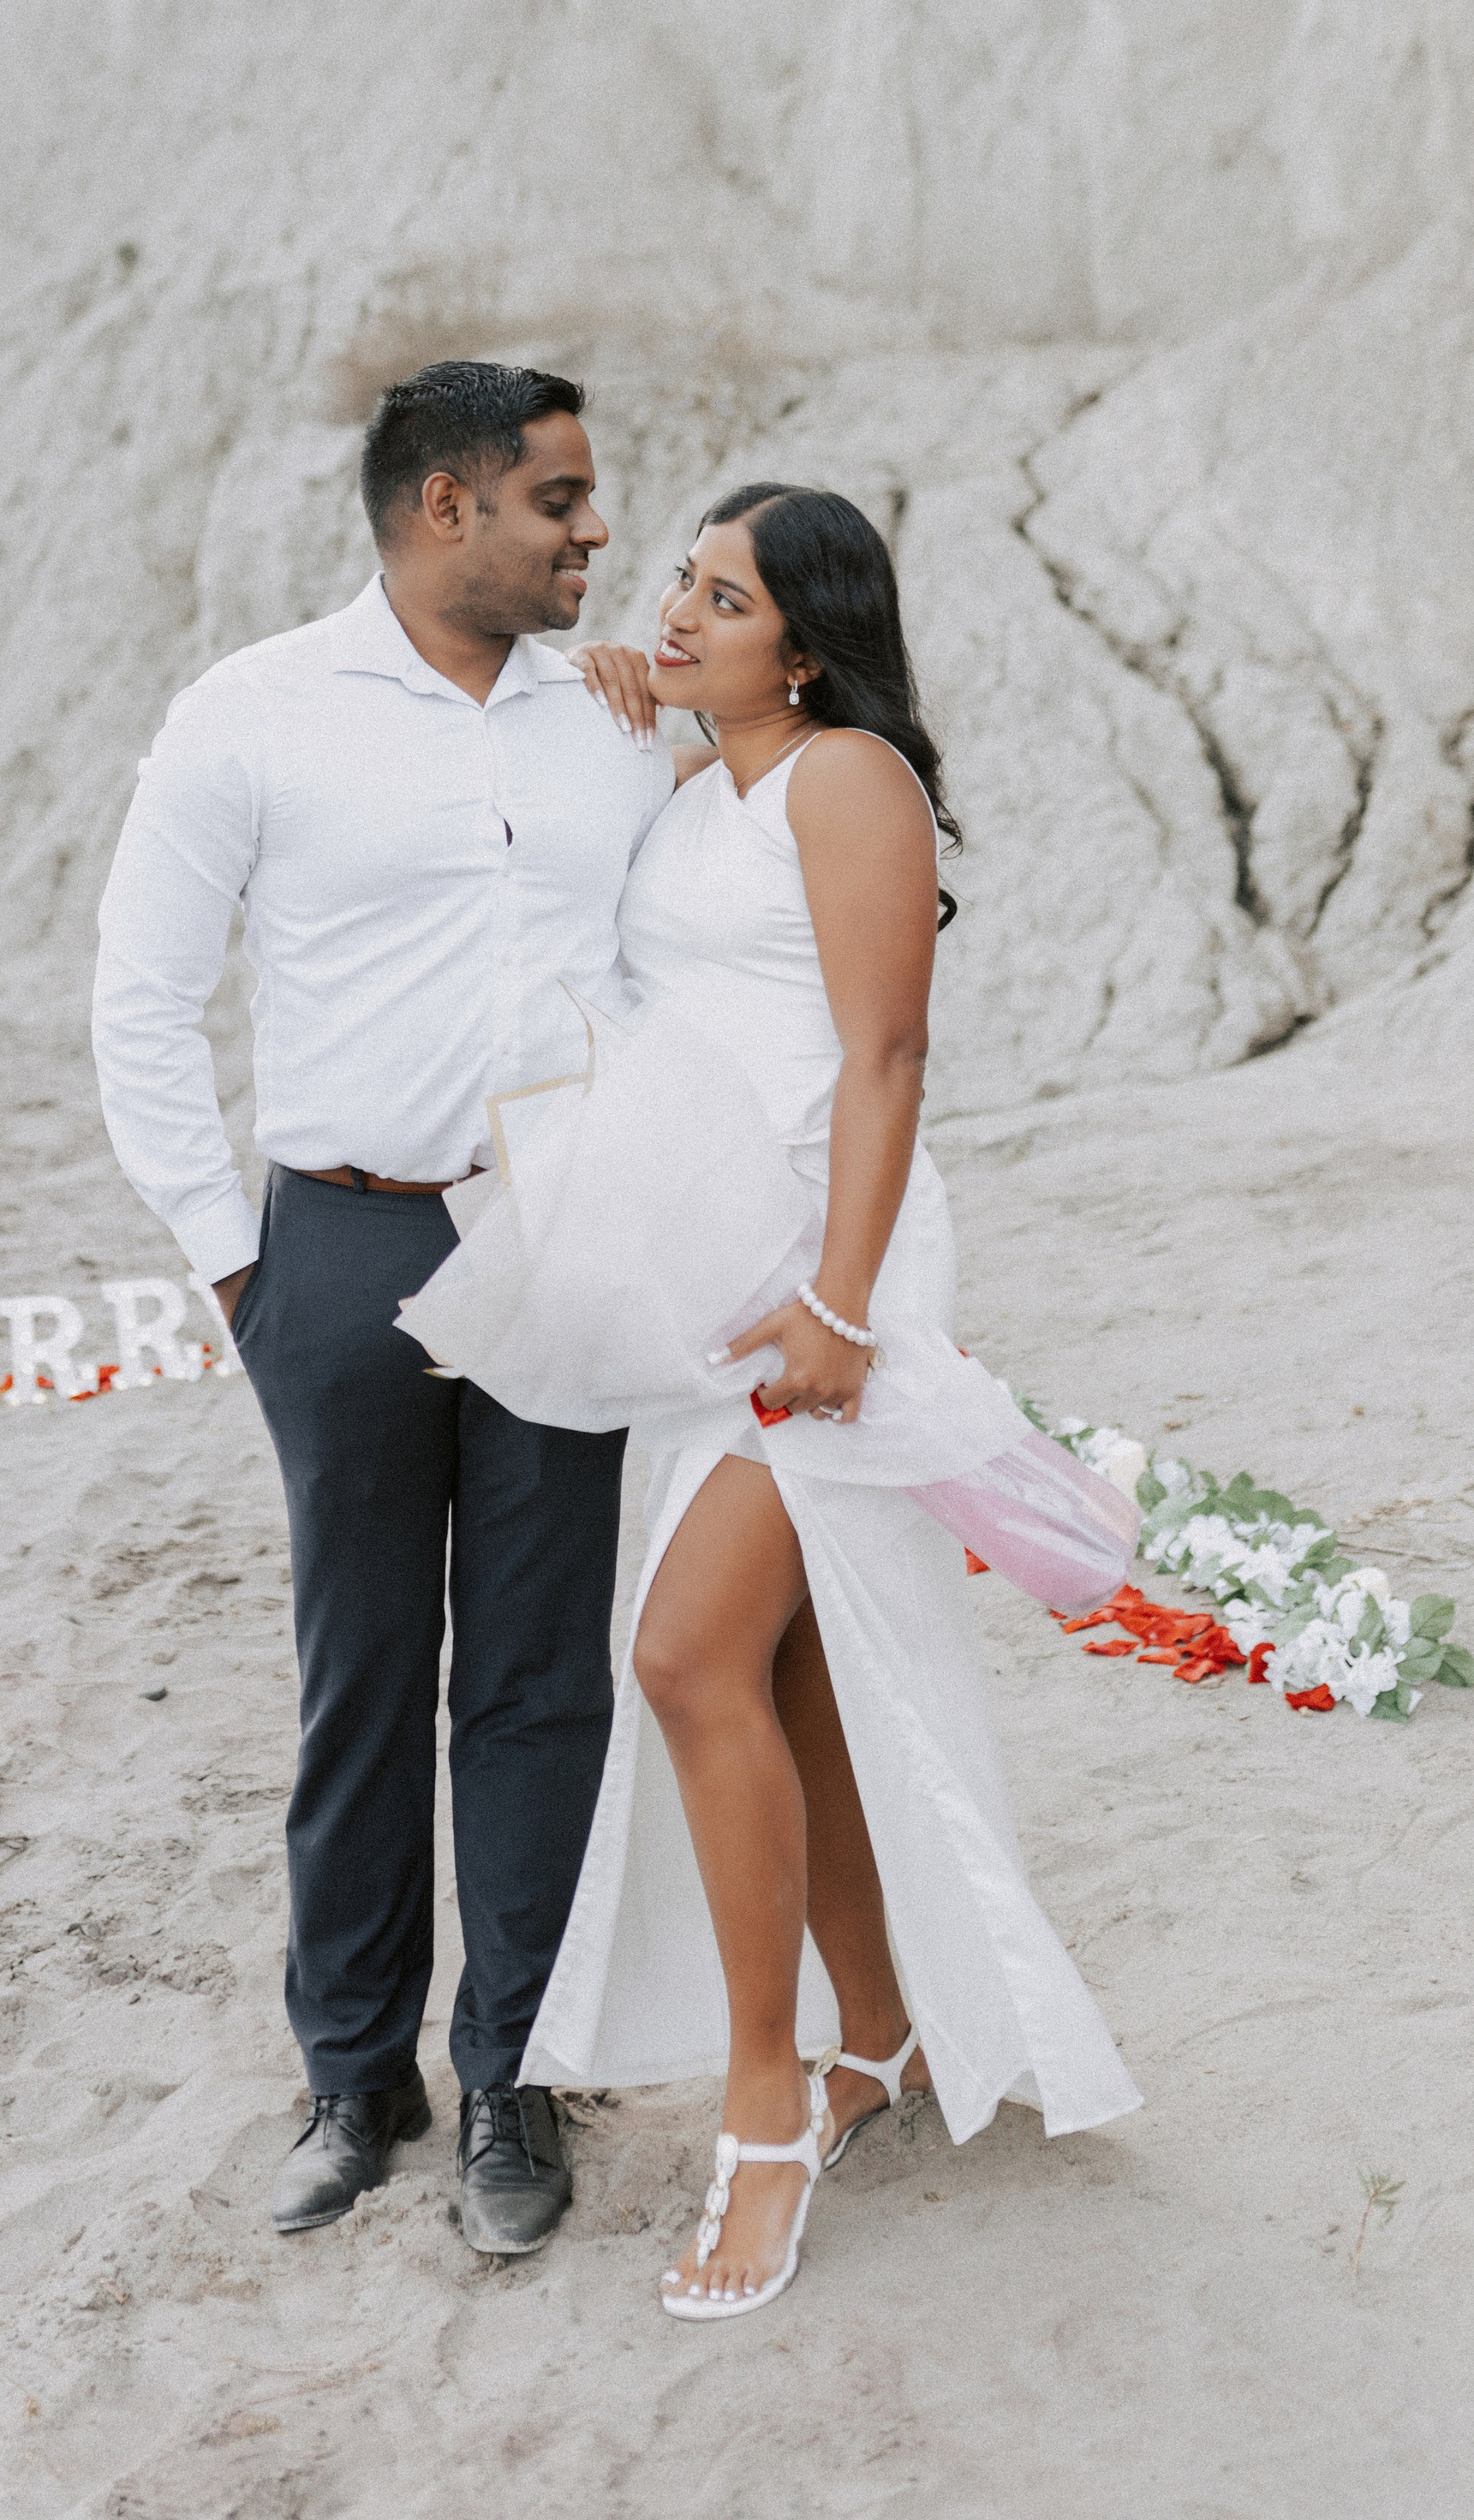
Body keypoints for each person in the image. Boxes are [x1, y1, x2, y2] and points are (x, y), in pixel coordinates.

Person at [399, 480, 1141, 2322]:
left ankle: (764, 2104)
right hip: (698, 1277)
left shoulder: (842, 781)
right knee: (786, 1669)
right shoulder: (685, 778)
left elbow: (884, 1051)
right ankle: (873, 2035)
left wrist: (838, 1305)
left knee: (680, 1655)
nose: (674, 607)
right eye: (677, 578)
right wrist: (608, 711)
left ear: (801, 643)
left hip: (834, 1269)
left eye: (718, 597)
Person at [90, 360, 671, 2254]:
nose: (594, 534)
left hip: (557, 1243)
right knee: (359, 1677)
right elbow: (140, 1000)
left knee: (534, 1678)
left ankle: (507, 2072)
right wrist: (236, 1263)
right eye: (557, 502)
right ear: (444, 506)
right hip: (333, 1253)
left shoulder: (608, 722)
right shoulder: (251, 714)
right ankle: (354, 2076)